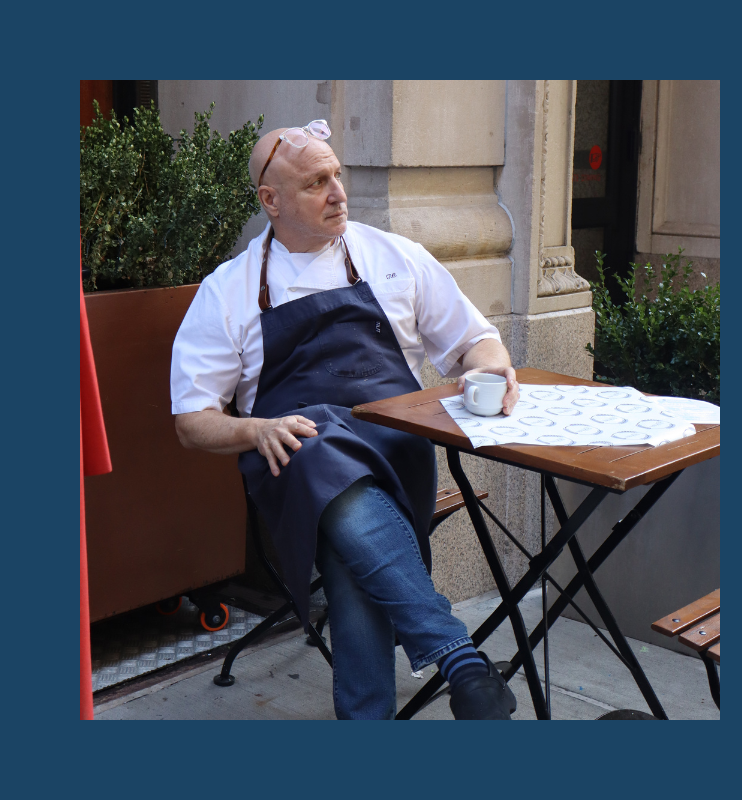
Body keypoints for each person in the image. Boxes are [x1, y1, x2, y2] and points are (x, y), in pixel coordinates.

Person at [171, 119, 521, 720]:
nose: (338, 193)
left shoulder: (395, 257)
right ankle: (459, 660)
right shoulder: (228, 291)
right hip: (293, 462)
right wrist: (256, 429)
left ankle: (401, 697)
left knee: (346, 541)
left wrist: (487, 372)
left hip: (396, 456)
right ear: (271, 200)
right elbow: (191, 419)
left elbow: (476, 342)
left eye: (338, 175)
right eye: (316, 183)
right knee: (313, 444)